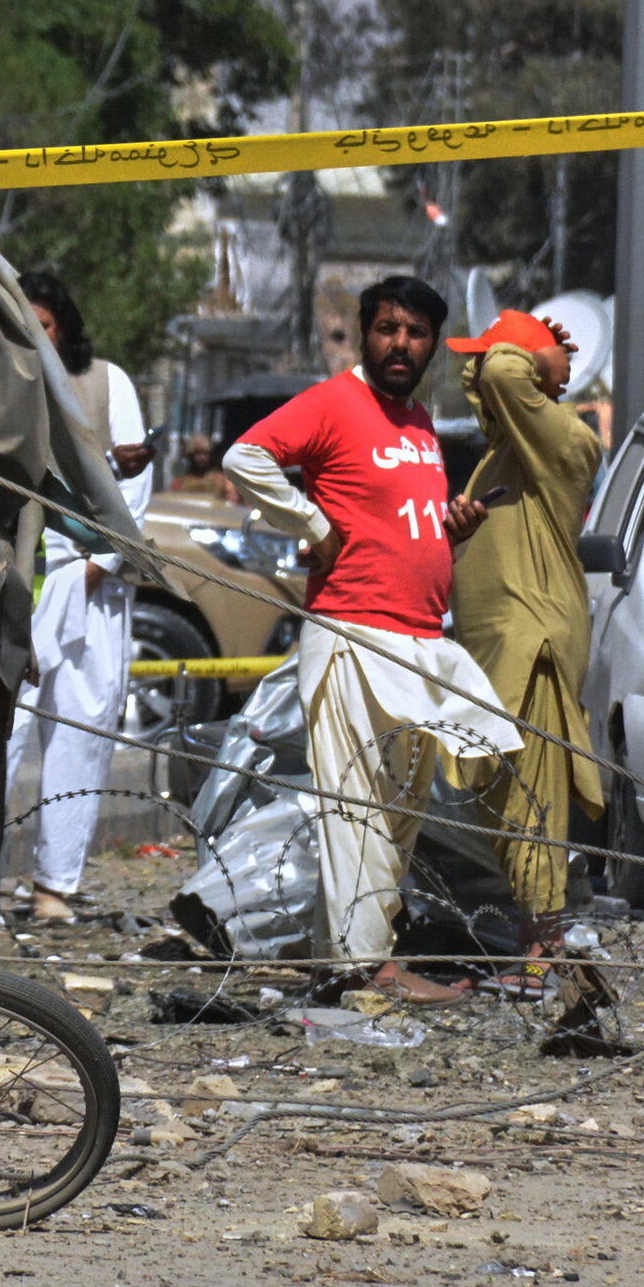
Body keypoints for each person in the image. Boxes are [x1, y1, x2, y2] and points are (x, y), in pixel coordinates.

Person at [222, 274, 522, 1003]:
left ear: (430, 346)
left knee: (399, 808)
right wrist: (314, 527)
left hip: (418, 639)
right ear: (364, 331)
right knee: (355, 805)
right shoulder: (333, 402)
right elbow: (245, 458)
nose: (401, 343)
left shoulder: (420, 421)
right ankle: (369, 969)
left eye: (416, 333)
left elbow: (402, 521)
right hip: (352, 633)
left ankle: (352, 960)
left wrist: (449, 530)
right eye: (388, 328)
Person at [447, 308, 603, 976]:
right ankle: (534, 937)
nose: (475, 373)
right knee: (507, 800)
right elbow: (487, 378)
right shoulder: (499, 458)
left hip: (531, 642)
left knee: (533, 797)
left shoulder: (565, 441)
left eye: (491, 356)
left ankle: (543, 947)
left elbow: (505, 374)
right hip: (496, 652)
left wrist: (537, 353)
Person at [5, 271, 153, 921]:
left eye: (44, 323)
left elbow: (130, 481)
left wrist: (101, 563)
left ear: (61, 327)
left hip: (88, 581)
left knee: (79, 732)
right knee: (4, 729)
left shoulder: (104, 382)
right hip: (19, 578)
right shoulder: (0, 384)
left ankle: (52, 887)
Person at [169, 433, 237, 502]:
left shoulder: (222, 480)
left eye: (205, 453)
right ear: (190, 456)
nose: (202, 458)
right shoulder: (179, 483)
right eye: (198, 453)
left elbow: (231, 502)